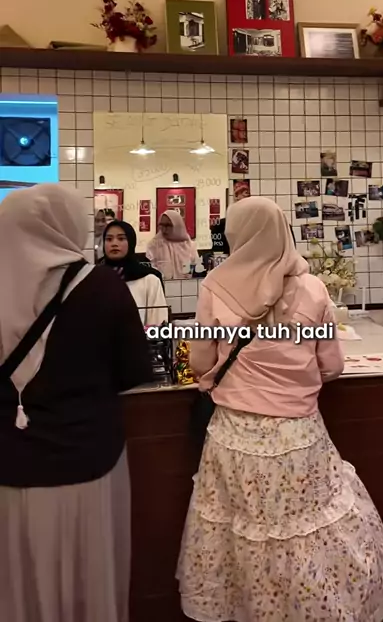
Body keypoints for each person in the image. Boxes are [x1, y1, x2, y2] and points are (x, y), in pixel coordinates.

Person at [177, 196, 383, 622]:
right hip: (299, 437)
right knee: (305, 535)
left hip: (234, 438)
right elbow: (331, 365)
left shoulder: (215, 287)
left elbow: (202, 362)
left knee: (241, 535)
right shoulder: (313, 288)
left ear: (236, 233)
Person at [0, 184, 152, 622]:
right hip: (86, 464)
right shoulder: (102, 286)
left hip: (7, 464)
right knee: (85, 579)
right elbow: (133, 373)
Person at [101, 220, 167, 325]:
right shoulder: (96, 279)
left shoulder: (150, 280)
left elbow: (158, 322)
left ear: (131, 242)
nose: (114, 244)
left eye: (121, 238)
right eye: (109, 239)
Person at [146, 209, 204, 280]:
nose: (163, 229)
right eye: (161, 225)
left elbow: (195, 269)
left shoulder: (189, 245)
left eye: (168, 225)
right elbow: (151, 269)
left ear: (177, 226)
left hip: (186, 284)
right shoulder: (154, 245)